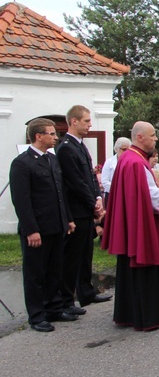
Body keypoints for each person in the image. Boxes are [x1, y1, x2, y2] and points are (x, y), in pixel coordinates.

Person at [101, 121, 159, 331]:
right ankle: (146, 315)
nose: (155, 139)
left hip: (129, 224)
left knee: (129, 268)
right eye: (153, 135)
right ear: (140, 137)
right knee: (145, 264)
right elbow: (151, 197)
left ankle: (129, 313)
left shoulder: (127, 158)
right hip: (142, 225)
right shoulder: (137, 163)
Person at [10, 118, 77, 332]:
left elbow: (60, 194)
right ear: (38, 136)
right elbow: (21, 200)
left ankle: (54, 308)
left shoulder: (52, 160)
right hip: (37, 228)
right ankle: (37, 315)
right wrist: (31, 230)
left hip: (56, 225)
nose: (55, 137)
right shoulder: (23, 163)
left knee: (54, 270)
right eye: (51, 134)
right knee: (35, 273)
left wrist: (67, 218)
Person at [56, 105, 111, 314]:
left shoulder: (80, 146)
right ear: (74, 121)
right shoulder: (66, 148)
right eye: (86, 121)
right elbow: (76, 182)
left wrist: (98, 197)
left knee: (85, 253)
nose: (90, 125)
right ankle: (66, 300)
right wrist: (92, 203)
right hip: (76, 210)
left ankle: (87, 292)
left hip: (87, 208)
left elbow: (89, 175)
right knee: (72, 257)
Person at [100, 137, 131, 205]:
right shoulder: (109, 162)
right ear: (117, 149)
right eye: (124, 149)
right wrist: (119, 187)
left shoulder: (131, 163)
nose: (127, 152)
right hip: (112, 195)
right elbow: (104, 182)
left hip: (127, 195)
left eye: (129, 150)